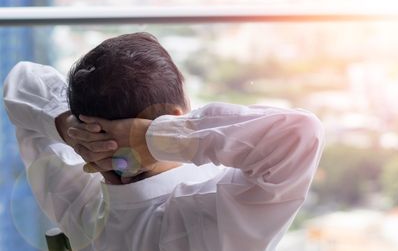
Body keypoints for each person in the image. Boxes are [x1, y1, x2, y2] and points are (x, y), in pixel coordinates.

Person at [3, 32, 324, 251]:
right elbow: (300, 133)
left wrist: (70, 128)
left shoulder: (80, 205)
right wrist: (154, 139)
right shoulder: (215, 216)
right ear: (174, 115)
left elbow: (21, 82)